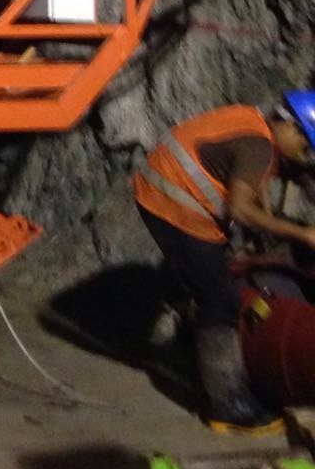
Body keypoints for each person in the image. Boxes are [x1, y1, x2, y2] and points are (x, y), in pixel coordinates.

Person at [132, 93, 315, 435]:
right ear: (293, 128)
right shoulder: (258, 147)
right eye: (304, 148)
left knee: (209, 275)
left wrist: (268, 230)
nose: (302, 157)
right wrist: (301, 233)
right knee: (220, 300)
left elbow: (250, 186)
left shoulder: (253, 124)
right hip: (174, 204)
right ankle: (229, 407)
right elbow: (241, 209)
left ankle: (182, 330)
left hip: (162, 188)